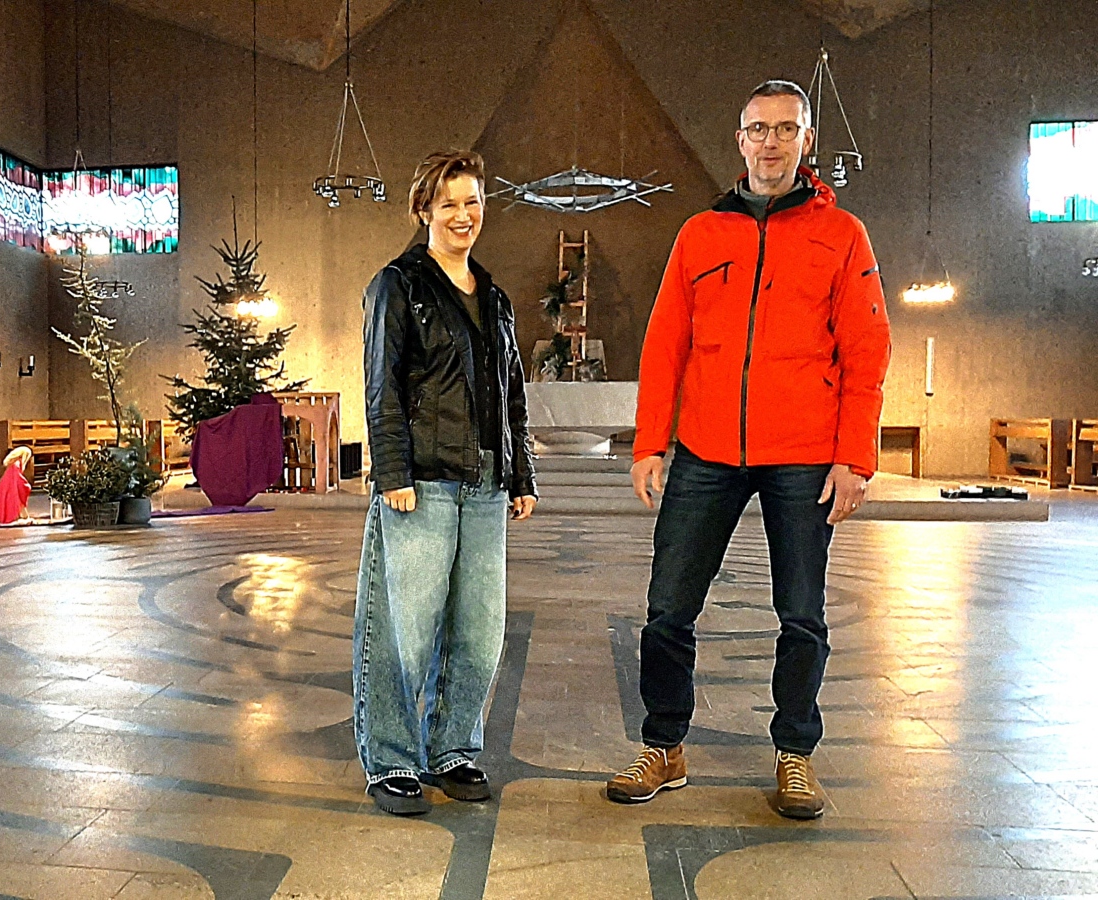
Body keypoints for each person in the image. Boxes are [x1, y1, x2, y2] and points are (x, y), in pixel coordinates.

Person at [607, 80, 891, 820]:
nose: (771, 142)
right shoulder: (701, 233)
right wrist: (648, 444)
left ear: (805, 141)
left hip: (803, 452)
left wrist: (854, 457)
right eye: (758, 129)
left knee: (802, 615)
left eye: (785, 130)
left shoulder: (843, 236)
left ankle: (795, 756)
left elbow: (867, 349)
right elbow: (665, 342)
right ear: (739, 141)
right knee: (668, 609)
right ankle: (663, 746)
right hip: (704, 448)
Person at [355, 149, 538, 816]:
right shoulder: (397, 286)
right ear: (424, 209)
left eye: (473, 202)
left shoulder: (494, 297)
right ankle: (393, 761)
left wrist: (521, 474)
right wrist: (393, 471)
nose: (463, 215)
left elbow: (510, 393)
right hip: (423, 483)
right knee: (404, 629)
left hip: (486, 486)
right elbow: (382, 387)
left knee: (480, 631)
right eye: (450, 202)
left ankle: (454, 747)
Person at [0, 446, 33, 524]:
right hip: (11, 488)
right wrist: (27, 486)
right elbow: (18, 479)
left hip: (7, 486)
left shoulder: (13, 464)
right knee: (16, 501)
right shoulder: (17, 464)